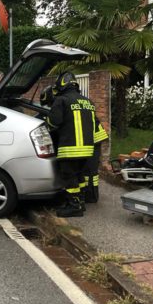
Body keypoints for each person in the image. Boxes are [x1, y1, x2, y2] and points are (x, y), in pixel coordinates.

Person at [45, 72, 96, 217]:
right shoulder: (88, 101)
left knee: (69, 177)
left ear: (62, 84)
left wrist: (46, 122)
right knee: (79, 177)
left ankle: (74, 207)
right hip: (87, 149)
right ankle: (79, 203)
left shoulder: (61, 100)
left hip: (70, 148)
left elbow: (53, 123)